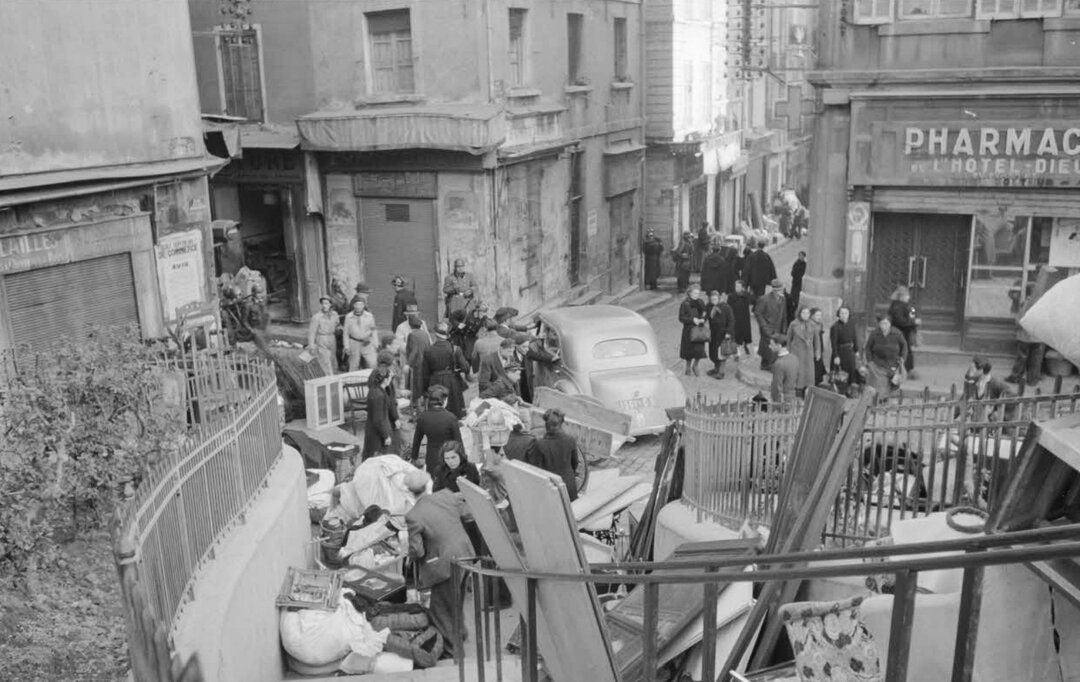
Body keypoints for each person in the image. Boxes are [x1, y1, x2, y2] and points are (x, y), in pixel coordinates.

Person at [404, 470, 473, 656]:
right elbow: (467, 515)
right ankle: (461, 633)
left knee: (441, 608)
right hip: (465, 554)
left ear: (409, 491)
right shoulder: (446, 496)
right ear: (428, 484)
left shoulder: (413, 515)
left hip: (443, 564)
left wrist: (410, 553)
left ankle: (453, 650)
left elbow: (417, 551)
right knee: (457, 599)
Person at [526, 408, 582, 501]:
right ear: (561, 423)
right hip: (569, 485)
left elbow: (535, 470)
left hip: (551, 487)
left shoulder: (539, 443)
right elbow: (575, 464)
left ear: (546, 424)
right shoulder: (570, 440)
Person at [423, 322, 470, 418]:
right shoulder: (456, 349)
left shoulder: (428, 350)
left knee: (436, 414)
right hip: (452, 381)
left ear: (435, 334)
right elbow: (465, 368)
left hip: (435, 381)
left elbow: (425, 373)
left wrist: (425, 389)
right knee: (455, 412)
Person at [411, 385, 464, 471]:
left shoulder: (423, 417)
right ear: (444, 401)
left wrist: (414, 457)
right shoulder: (451, 418)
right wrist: (463, 460)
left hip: (431, 457)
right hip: (449, 457)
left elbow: (417, 440)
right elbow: (458, 441)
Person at [864, 314, 908, 401]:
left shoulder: (897, 334)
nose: (884, 326)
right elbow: (868, 348)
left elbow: (904, 346)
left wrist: (903, 357)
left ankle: (886, 398)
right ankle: (880, 399)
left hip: (893, 363)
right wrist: (869, 361)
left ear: (890, 324)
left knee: (891, 383)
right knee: (879, 383)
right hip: (878, 363)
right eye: (882, 323)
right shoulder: (874, 334)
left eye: (886, 323)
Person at [962, 356, 1016, 421]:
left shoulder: (996, 383)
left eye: (972, 369)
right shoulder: (973, 383)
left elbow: (1013, 397)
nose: (969, 371)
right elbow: (962, 401)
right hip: (976, 422)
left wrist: (995, 407)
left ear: (981, 370)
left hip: (991, 423)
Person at [362, 367, 399, 460]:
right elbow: (378, 419)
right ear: (385, 380)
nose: (391, 379)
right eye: (390, 377)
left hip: (375, 430)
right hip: (377, 435)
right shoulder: (378, 395)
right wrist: (385, 435)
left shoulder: (377, 390)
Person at [754, 279, 789, 370]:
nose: (783, 291)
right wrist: (764, 326)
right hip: (767, 327)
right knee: (768, 344)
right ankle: (769, 364)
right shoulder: (764, 299)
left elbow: (784, 313)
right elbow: (758, 313)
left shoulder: (782, 298)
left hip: (778, 326)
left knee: (774, 345)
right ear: (775, 290)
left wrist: (784, 327)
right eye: (781, 289)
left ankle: (767, 363)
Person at [786, 306, 820, 398]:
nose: (806, 315)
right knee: (799, 373)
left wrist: (817, 351)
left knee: (808, 374)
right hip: (797, 352)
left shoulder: (812, 325)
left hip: (808, 353)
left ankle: (807, 391)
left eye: (807, 313)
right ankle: (798, 391)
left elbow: (817, 339)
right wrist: (788, 352)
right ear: (800, 313)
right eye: (803, 313)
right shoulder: (794, 324)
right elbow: (789, 339)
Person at [888, 285, 919, 379]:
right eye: (907, 296)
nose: (908, 297)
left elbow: (910, 316)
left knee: (904, 351)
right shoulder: (897, 307)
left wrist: (913, 323)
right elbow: (900, 321)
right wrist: (913, 322)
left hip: (903, 333)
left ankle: (905, 370)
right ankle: (906, 371)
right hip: (901, 333)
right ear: (902, 296)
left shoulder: (902, 306)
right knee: (904, 351)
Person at [829, 305, 863, 387]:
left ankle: (849, 390)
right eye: (842, 313)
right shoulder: (835, 327)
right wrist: (836, 356)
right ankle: (840, 391)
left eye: (845, 313)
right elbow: (834, 343)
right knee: (840, 373)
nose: (844, 315)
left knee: (851, 371)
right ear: (839, 314)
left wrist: (856, 350)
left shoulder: (852, 324)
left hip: (850, 352)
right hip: (840, 352)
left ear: (848, 314)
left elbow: (855, 338)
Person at [678, 284, 708, 376]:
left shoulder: (701, 302)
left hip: (699, 330)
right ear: (690, 293)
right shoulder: (685, 304)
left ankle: (695, 366)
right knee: (689, 350)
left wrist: (703, 319)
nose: (696, 295)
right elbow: (681, 317)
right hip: (689, 330)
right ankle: (688, 367)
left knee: (699, 350)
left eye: (698, 293)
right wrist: (692, 320)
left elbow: (705, 313)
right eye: (695, 293)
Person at [404, 316, 432, 414]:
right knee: (425, 386)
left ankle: (419, 410)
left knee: (416, 387)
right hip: (426, 363)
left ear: (410, 325)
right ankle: (426, 408)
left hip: (417, 364)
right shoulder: (425, 334)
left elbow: (414, 351)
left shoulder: (412, 335)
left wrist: (408, 364)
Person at [306, 295, 340, 375]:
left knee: (332, 359)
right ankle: (329, 379)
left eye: (326, 303)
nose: (324, 306)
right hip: (322, 338)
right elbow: (312, 332)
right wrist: (311, 345)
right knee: (325, 361)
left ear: (330, 304)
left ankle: (334, 377)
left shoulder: (334, 314)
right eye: (323, 303)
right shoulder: (317, 317)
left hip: (332, 338)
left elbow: (337, 324)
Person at [705, 290, 735, 379]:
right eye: (712, 299)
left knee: (722, 353)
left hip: (723, 334)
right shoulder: (709, 307)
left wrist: (728, 332)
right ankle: (716, 368)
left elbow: (731, 320)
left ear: (719, 298)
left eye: (715, 299)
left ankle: (721, 372)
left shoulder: (726, 307)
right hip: (713, 334)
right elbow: (706, 316)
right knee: (713, 352)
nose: (713, 301)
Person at [343, 296, 378, 371]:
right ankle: (352, 380)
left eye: (361, 304)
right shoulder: (349, 317)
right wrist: (346, 346)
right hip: (354, 342)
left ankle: (374, 379)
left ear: (364, 306)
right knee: (354, 364)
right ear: (353, 305)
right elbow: (346, 333)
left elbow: (373, 330)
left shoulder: (369, 316)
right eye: (357, 304)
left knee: (373, 363)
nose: (359, 307)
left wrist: (376, 343)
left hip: (367, 342)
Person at [769, 335, 799, 405]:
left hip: (782, 401)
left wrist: (776, 401)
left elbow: (777, 386)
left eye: (772, 344)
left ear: (779, 346)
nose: (769, 346)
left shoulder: (779, 364)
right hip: (792, 397)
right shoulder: (794, 358)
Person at [730, 280, 754, 356]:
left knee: (745, 333)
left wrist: (746, 294)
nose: (736, 288)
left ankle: (745, 345)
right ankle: (737, 350)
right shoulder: (731, 296)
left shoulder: (746, 295)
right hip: (735, 317)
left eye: (738, 286)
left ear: (743, 288)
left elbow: (752, 301)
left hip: (744, 317)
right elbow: (729, 306)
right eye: (736, 286)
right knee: (736, 334)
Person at [810, 308, 827, 387]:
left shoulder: (820, 324)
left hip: (819, 349)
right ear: (812, 315)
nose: (819, 317)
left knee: (818, 371)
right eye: (817, 315)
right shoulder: (809, 324)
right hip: (812, 350)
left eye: (820, 315)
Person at [789, 251, 807, 318]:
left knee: (798, 298)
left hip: (801, 284)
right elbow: (792, 273)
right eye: (800, 256)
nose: (801, 257)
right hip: (796, 283)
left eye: (802, 256)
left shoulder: (805, 264)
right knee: (794, 298)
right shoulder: (796, 264)